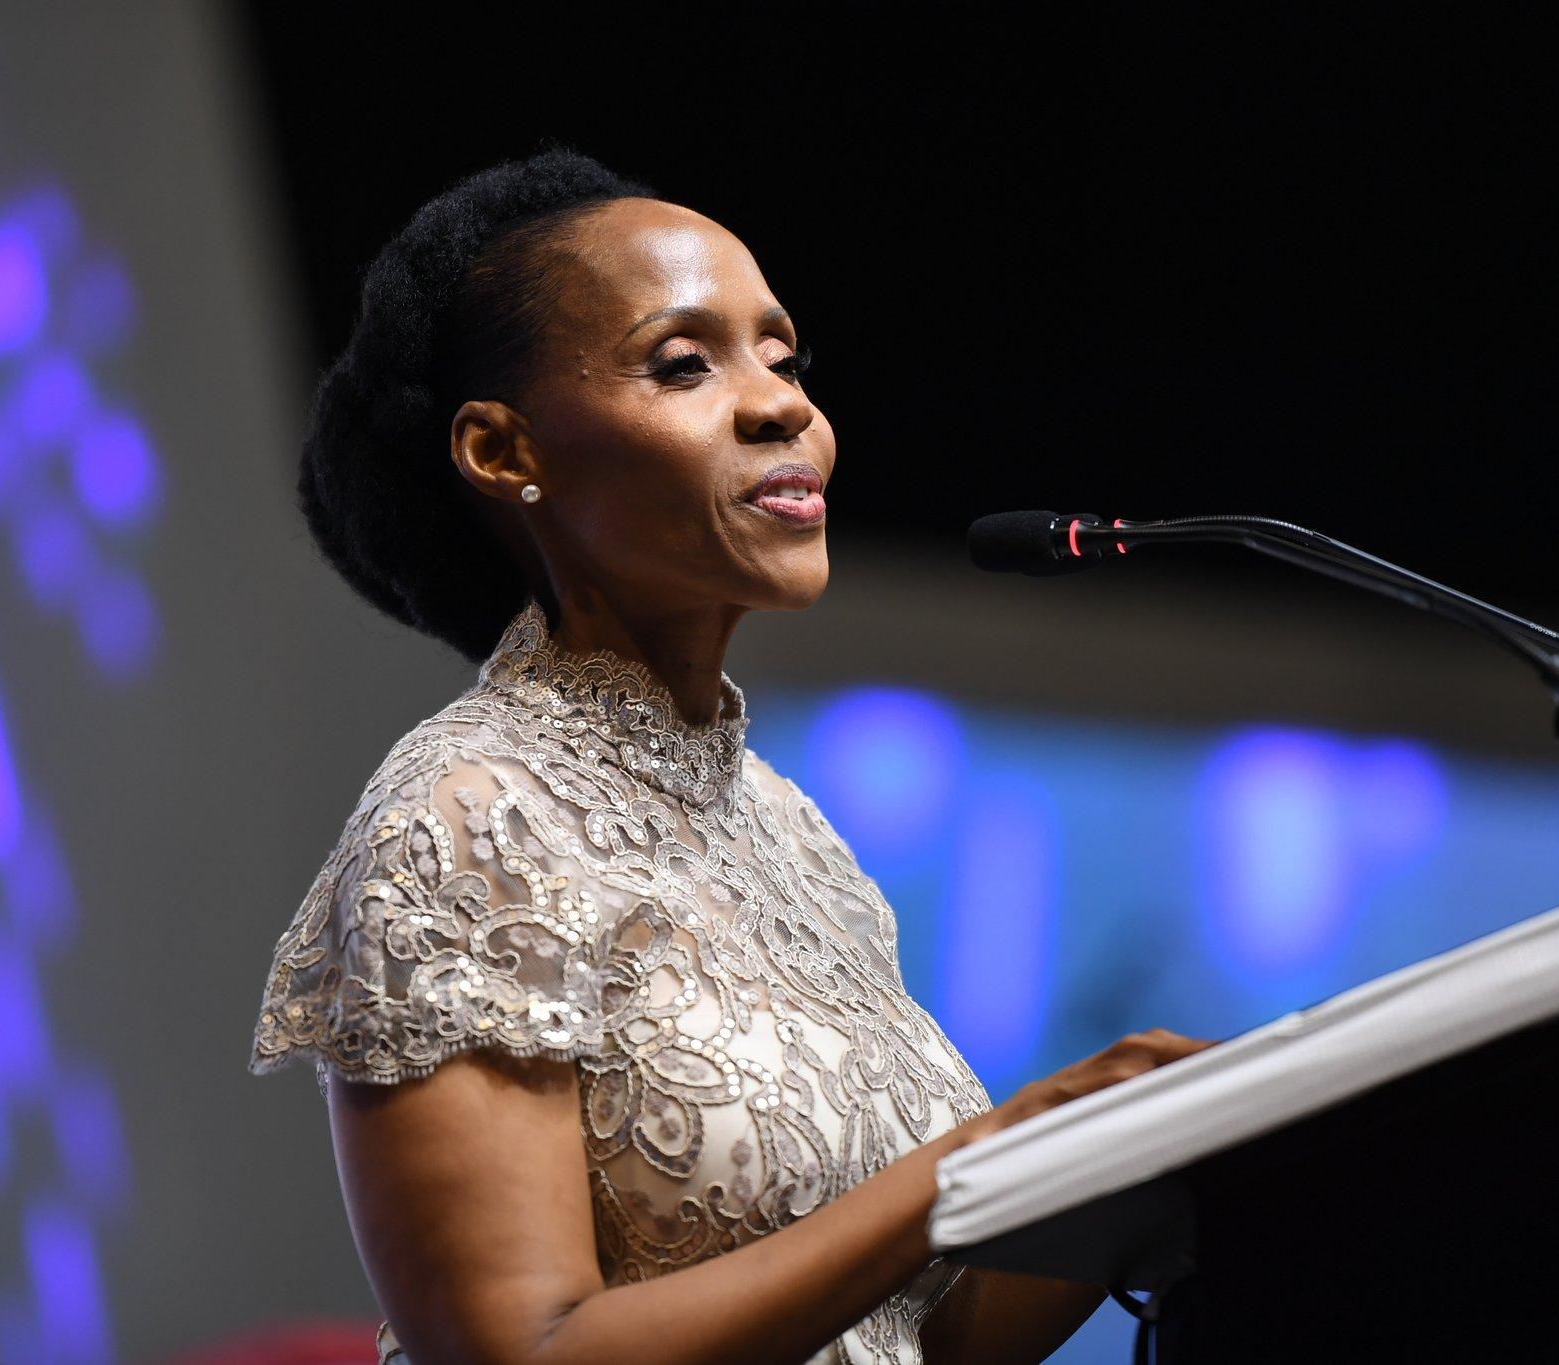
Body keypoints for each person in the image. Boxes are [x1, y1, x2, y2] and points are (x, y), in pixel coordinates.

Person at [248, 144, 1216, 1365]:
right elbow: (524, 1351)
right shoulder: (463, 821)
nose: (779, 406)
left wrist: (1143, 1156)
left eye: (783, 357)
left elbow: (921, 1340)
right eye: (683, 363)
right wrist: (968, 1163)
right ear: (504, 453)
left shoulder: (785, 829)